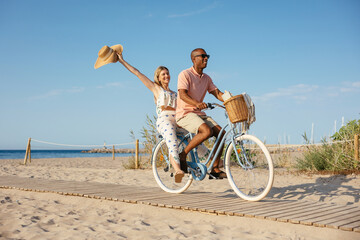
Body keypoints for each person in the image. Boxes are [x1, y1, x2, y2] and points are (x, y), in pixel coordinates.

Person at [117, 52, 185, 183]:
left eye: (167, 73)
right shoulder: (156, 89)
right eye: (163, 74)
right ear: (158, 78)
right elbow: (137, 73)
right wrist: (122, 61)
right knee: (172, 140)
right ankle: (177, 170)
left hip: (178, 121)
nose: (166, 75)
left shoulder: (175, 93)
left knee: (192, 137)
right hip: (164, 121)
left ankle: (216, 162)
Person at [176, 48, 227, 179]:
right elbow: (182, 94)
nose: (206, 58)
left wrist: (229, 99)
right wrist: (197, 103)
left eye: (207, 56)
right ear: (194, 59)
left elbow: (218, 94)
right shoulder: (185, 74)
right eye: (203, 56)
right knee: (206, 131)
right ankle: (182, 154)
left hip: (199, 114)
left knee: (222, 133)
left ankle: (215, 168)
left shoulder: (207, 78)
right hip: (185, 114)